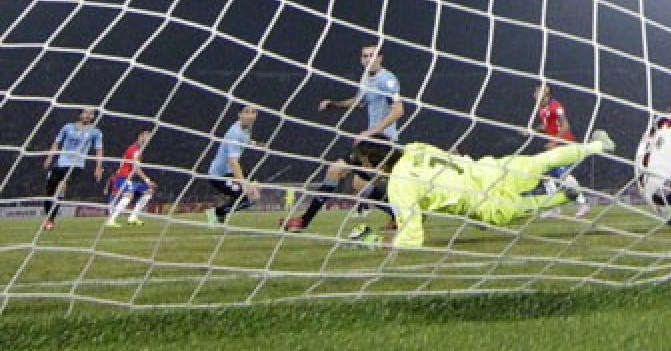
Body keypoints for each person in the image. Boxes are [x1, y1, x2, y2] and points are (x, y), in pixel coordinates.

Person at [378, 130, 615, 248]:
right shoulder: (414, 147)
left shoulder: (398, 185)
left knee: (525, 207)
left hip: (482, 202)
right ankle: (597, 145)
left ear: (375, 164)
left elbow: (412, 236)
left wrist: (380, 242)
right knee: (540, 161)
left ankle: (565, 196)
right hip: (488, 170)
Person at [284, 42, 404, 234]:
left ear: (380, 58)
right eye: (365, 56)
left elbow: (399, 110)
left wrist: (373, 131)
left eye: (372, 55)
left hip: (382, 142)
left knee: (335, 170)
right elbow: (359, 102)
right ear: (361, 59)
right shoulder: (366, 78)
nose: (368, 59)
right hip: (371, 142)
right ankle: (400, 215)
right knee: (360, 185)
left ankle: (304, 221)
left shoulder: (387, 80)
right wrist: (334, 104)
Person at [42, 108, 104, 230]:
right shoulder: (67, 127)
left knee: (61, 187)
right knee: (49, 191)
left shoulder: (95, 132)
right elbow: (56, 142)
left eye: (91, 114)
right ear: (80, 114)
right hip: (60, 163)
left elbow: (99, 150)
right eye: (86, 112)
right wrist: (49, 158)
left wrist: (98, 167)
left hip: (77, 165)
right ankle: (49, 218)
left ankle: (50, 221)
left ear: (93, 117)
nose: (88, 115)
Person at [532, 84, 589, 217]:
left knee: (563, 175)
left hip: (565, 144)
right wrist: (532, 130)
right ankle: (555, 208)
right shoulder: (542, 109)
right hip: (555, 147)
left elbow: (565, 126)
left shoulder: (555, 106)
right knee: (545, 175)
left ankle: (583, 204)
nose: (533, 95)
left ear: (544, 93)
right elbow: (546, 124)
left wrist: (554, 141)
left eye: (536, 92)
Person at [205, 105, 260, 225]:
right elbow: (233, 161)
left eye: (253, 112)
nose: (250, 115)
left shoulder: (247, 127)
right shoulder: (234, 133)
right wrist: (243, 183)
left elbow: (245, 140)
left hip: (229, 171)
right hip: (219, 176)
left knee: (256, 190)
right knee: (248, 199)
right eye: (246, 112)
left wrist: (256, 144)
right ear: (239, 114)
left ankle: (222, 213)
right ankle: (216, 213)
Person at [107, 127, 156, 226]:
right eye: (147, 136)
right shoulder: (134, 150)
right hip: (122, 177)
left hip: (129, 178)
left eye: (149, 137)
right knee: (129, 195)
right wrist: (147, 180)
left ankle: (133, 217)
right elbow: (136, 169)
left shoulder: (138, 149)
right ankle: (111, 220)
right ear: (140, 136)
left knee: (149, 191)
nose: (148, 139)